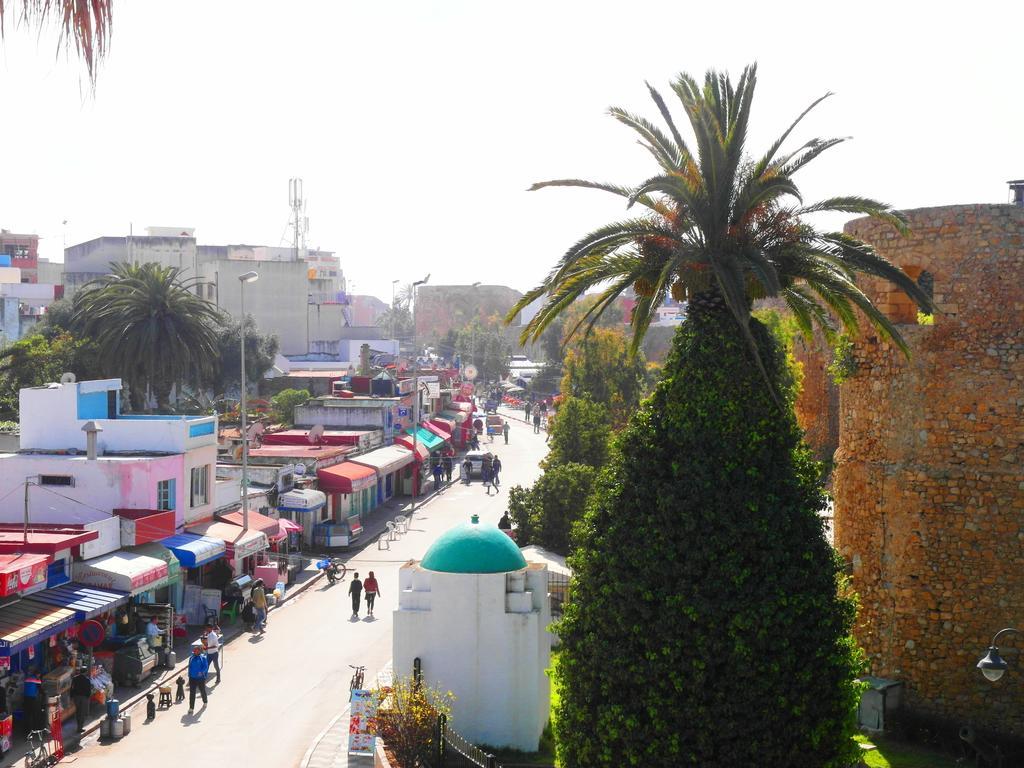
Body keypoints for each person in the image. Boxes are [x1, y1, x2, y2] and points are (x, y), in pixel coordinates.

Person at [187, 641, 209, 713]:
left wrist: (202, 672)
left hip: (200, 678)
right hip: (192, 678)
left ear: (199, 651)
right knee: (192, 693)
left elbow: (205, 666)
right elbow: (189, 667)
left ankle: (205, 701)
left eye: (196, 650)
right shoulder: (191, 658)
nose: (195, 652)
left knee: (202, 691)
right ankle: (191, 708)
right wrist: (189, 675)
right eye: (194, 651)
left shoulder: (203, 658)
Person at [70, 667, 92, 732]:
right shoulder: (87, 680)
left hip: (76, 697)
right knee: (82, 713)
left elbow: (72, 688)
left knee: (77, 712)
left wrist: (71, 697)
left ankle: (78, 726)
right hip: (83, 698)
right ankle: (79, 727)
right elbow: (89, 690)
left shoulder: (74, 679)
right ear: (85, 672)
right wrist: (88, 697)